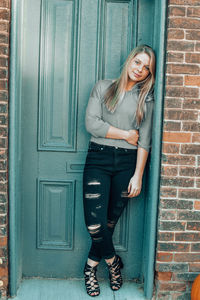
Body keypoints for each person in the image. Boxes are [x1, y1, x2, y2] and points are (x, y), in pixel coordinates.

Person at [83, 44, 156, 297]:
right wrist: (126, 134)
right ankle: (113, 262)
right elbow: (92, 124)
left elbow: (144, 140)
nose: (140, 69)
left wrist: (138, 175)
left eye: (146, 67)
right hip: (98, 159)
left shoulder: (145, 98)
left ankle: (90, 268)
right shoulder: (103, 87)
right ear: (129, 61)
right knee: (95, 225)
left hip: (127, 164)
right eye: (138, 62)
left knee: (109, 223)